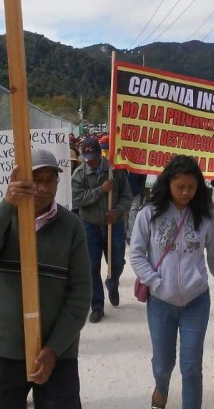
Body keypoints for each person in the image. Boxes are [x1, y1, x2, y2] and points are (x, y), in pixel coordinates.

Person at [0, 149, 92, 409]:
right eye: (36, 179)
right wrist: (6, 206)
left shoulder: (71, 227)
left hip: (57, 354)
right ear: (19, 180)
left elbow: (80, 294)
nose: (42, 188)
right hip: (1, 349)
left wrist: (54, 349)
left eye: (49, 180)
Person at [130, 155, 214, 409]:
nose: (186, 192)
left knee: (191, 366)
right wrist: (155, 282)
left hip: (196, 301)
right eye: (180, 187)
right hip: (160, 302)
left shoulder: (206, 217)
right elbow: (136, 253)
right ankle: (162, 386)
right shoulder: (149, 213)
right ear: (167, 183)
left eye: (192, 187)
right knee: (163, 364)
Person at [71, 136, 132, 323]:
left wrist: (118, 211)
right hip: (90, 226)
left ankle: (112, 284)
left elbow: (127, 196)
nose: (92, 162)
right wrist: (100, 191)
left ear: (100, 154)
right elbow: (78, 200)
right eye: (88, 159)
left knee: (118, 262)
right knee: (92, 266)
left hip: (114, 224)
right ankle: (97, 306)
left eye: (95, 158)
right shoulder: (79, 175)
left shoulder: (115, 172)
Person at [126, 170, 148, 244]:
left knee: (133, 215)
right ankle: (125, 234)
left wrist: (139, 190)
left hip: (135, 194)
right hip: (123, 194)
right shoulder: (121, 166)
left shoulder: (137, 165)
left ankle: (131, 236)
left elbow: (143, 178)